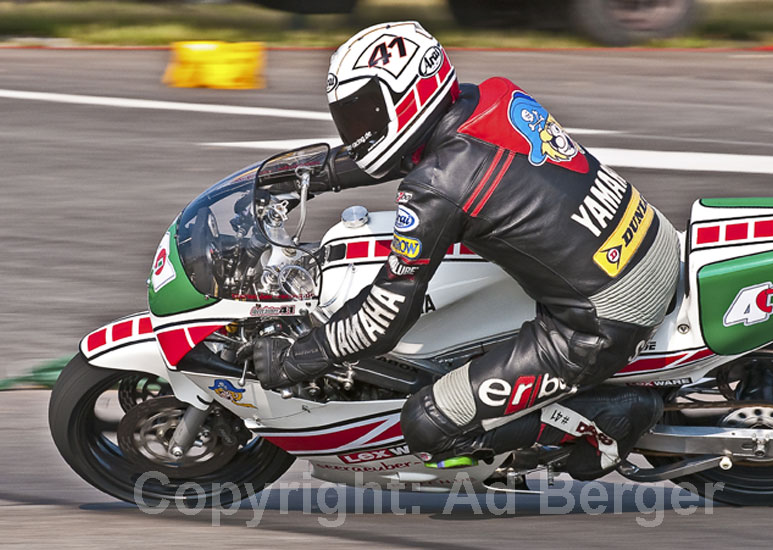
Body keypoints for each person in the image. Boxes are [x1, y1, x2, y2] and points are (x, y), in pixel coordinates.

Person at [254, 21, 678, 479]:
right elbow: (422, 150)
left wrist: (295, 357)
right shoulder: (492, 96)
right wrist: (320, 175)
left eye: (365, 114)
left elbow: (382, 319)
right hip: (647, 239)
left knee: (427, 422)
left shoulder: (437, 189)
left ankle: (610, 417)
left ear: (408, 95)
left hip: (601, 320)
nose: (359, 130)